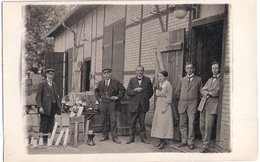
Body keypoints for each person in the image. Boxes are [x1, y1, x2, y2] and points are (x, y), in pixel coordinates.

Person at [94, 68, 126, 144]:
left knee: (113, 120)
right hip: (103, 103)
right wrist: (99, 99)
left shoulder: (116, 82)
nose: (106, 75)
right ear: (103, 75)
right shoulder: (100, 83)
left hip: (112, 103)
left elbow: (123, 90)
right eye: (105, 74)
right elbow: (96, 91)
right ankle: (105, 136)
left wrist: (117, 97)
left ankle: (115, 137)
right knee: (103, 120)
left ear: (111, 74)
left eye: (108, 73)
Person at [175, 62, 203, 150]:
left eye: (191, 68)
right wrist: (183, 98)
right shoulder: (182, 80)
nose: (189, 69)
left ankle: (190, 142)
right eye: (188, 68)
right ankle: (183, 141)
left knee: (191, 124)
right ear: (185, 69)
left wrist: (194, 100)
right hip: (183, 105)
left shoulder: (198, 80)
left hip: (192, 105)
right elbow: (177, 92)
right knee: (182, 123)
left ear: (193, 69)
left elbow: (201, 93)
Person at [126, 65, 153, 144]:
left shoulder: (147, 80)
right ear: (136, 71)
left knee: (142, 122)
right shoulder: (132, 80)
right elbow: (128, 92)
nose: (139, 72)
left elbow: (151, 92)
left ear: (143, 71)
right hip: (134, 105)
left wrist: (145, 98)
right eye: (138, 70)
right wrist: (135, 90)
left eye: (141, 70)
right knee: (132, 122)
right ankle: (131, 138)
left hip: (143, 105)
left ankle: (143, 138)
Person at [198, 61, 221, 153]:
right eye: (213, 68)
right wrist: (208, 92)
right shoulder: (209, 79)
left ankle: (206, 145)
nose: (214, 70)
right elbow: (201, 90)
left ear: (219, 69)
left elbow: (216, 93)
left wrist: (206, 90)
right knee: (202, 125)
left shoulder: (221, 80)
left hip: (212, 105)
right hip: (203, 104)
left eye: (216, 68)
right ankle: (205, 142)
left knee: (208, 126)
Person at [36, 69, 61, 143]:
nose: (51, 76)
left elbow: (56, 96)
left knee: (51, 122)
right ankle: (43, 139)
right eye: (50, 74)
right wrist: (40, 106)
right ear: (46, 75)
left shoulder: (54, 84)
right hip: (45, 107)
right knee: (44, 122)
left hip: (53, 106)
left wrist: (58, 106)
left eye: (52, 74)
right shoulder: (42, 84)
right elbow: (38, 97)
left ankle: (49, 138)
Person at [151, 71, 174, 149]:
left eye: (161, 76)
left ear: (165, 77)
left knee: (164, 123)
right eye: (159, 76)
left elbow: (169, 96)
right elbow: (157, 94)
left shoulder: (168, 84)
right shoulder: (159, 84)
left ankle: (163, 141)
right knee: (158, 123)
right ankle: (160, 140)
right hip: (159, 104)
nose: (160, 78)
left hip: (165, 104)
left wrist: (165, 107)